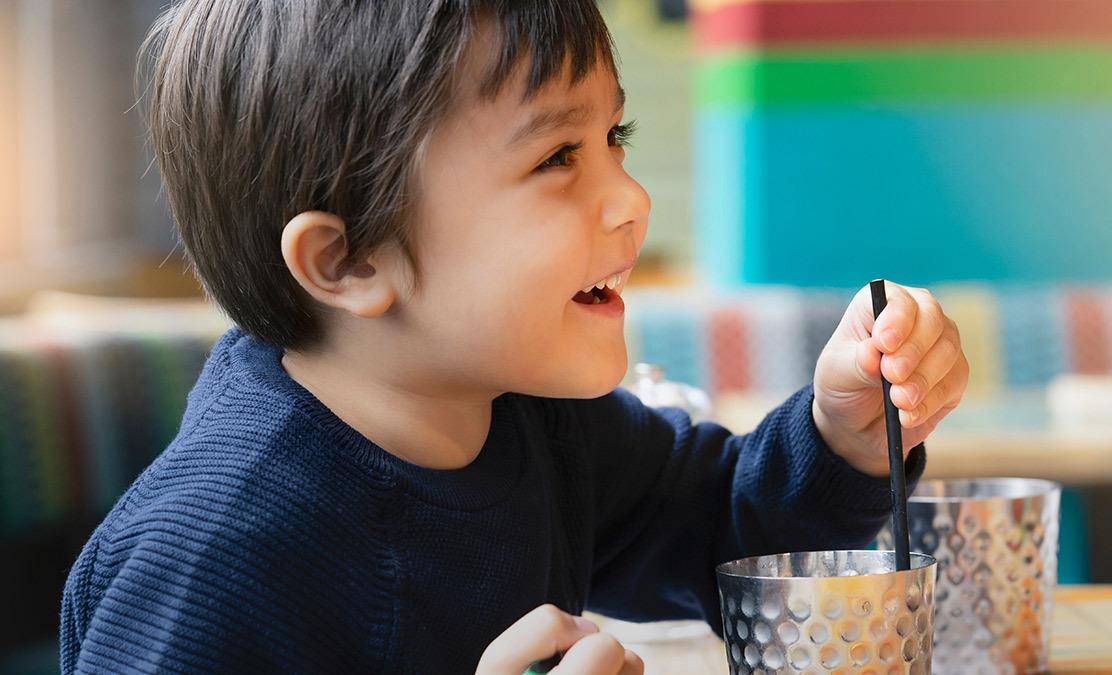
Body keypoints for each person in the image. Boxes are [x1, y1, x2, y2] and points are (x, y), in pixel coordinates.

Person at [59, 1, 969, 672]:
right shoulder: (215, 552)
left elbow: (725, 535)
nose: (633, 199)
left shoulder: (535, 421)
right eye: (555, 157)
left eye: (615, 136)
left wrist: (839, 431)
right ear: (349, 262)